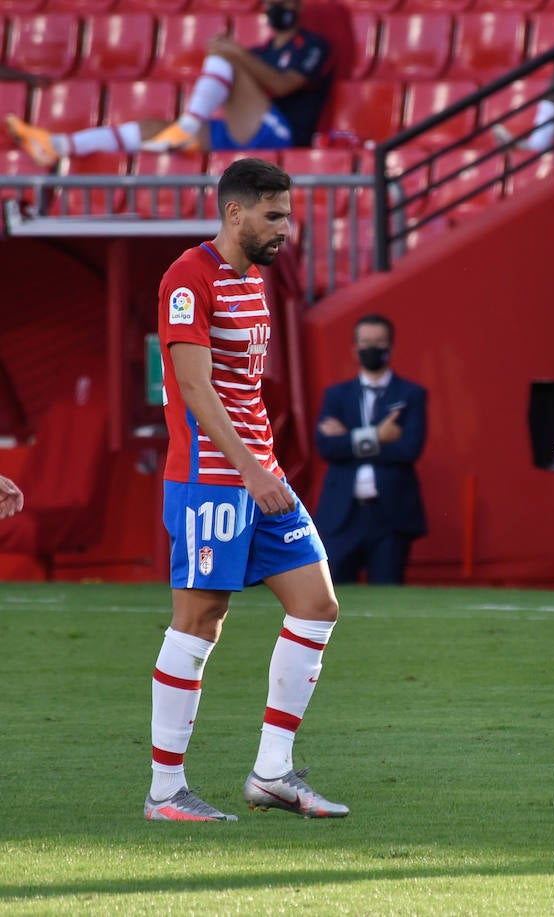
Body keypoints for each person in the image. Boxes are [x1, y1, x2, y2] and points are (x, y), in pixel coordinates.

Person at [148, 157, 347, 822]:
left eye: (287, 215)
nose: (285, 228)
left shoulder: (254, 279)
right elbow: (196, 390)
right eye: (273, 215)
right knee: (200, 621)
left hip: (260, 473)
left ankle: (272, 771)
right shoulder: (188, 278)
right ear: (234, 212)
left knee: (317, 605)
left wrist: (266, 467)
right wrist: (253, 470)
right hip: (213, 478)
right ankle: (165, 789)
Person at [5, 0, 331, 167]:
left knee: (223, 55)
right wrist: (237, 54)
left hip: (283, 134)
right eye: (272, 3)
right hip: (242, 129)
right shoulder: (259, 52)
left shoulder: (313, 45)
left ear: (298, 5)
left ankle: (188, 126)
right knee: (150, 127)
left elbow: (285, 85)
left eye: (285, 2)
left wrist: (234, 53)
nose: (279, 8)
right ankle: (60, 146)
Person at [314, 314, 428, 585]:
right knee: (333, 595)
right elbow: (327, 447)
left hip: (390, 515)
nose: (372, 348)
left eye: (378, 342)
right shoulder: (336, 395)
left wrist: (350, 440)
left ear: (391, 347)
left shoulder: (411, 394)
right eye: (366, 342)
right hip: (342, 514)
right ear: (354, 348)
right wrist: (378, 436)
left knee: (387, 596)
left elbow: (408, 449)